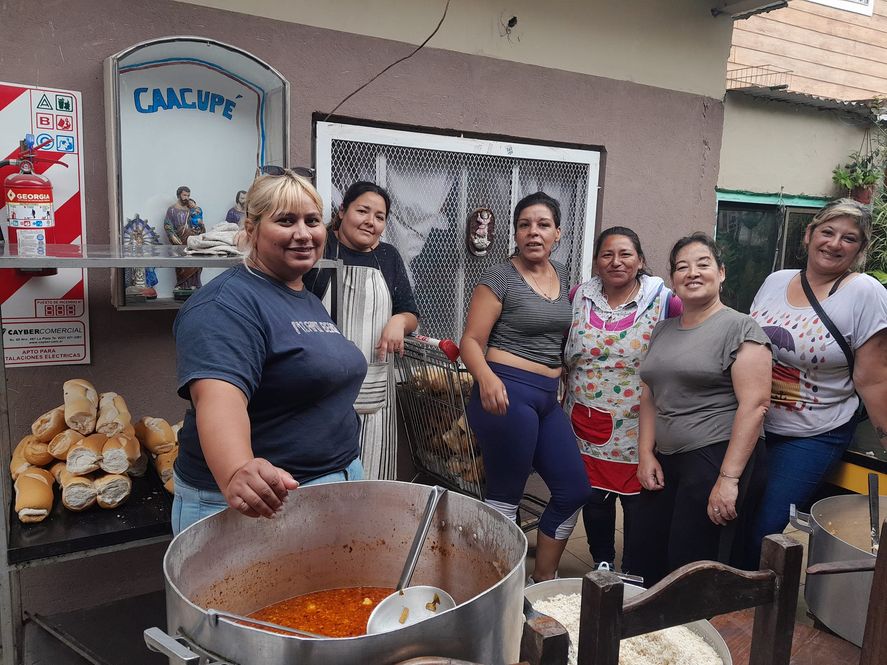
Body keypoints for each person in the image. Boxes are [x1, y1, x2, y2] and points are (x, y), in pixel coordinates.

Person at [171, 170, 368, 534]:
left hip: (330, 488)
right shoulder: (225, 304)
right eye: (285, 221)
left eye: (312, 221)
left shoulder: (304, 297)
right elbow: (219, 399)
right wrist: (237, 469)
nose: (303, 233)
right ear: (252, 228)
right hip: (262, 506)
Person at [746, 198, 887, 567]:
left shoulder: (864, 292)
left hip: (813, 432)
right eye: (827, 231)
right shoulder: (776, 281)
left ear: (860, 249)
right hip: (755, 424)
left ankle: (747, 612)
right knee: (732, 516)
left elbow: (872, 378)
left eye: (849, 238)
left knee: (764, 529)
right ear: (809, 235)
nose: (835, 243)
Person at [461, 191, 592, 583]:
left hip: (547, 399)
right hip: (506, 393)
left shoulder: (563, 275)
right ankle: (499, 587)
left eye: (543, 225)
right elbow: (470, 341)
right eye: (524, 225)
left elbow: (558, 338)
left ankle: (541, 582)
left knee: (574, 490)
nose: (533, 233)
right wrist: (486, 378)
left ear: (558, 233)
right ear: (515, 233)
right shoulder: (499, 276)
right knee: (505, 498)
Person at [631, 233, 772, 586]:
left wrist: (728, 479)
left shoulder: (740, 327)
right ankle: (649, 632)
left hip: (715, 455)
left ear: (721, 273)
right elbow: (649, 393)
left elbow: (755, 406)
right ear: (673, 279)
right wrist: (645, 454)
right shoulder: (663, 329)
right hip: (667, 457)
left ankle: (696, 634)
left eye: (703, 264)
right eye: (682, 267)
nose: (692, 272)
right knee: (645, 550)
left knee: (692, 560)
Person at [564, 226, 681, 574]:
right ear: (596, 263)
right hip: (583, 421)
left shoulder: (664, 301)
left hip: (639, 427)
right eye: (607, 255)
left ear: (641, 260)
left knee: (639, 502)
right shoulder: (577, 298)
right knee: (594, 498)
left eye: (625, 254)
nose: (616, 262)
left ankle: (634, 569)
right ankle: (602, 559)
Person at [306, 182, 419, 480]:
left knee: (371, 475)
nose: (371, 221)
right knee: (323, 476)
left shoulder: (389, 256)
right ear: (342, 211)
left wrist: (398, 322)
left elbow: (410, 313)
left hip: (374, 385)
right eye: (363, 211)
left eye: (379, 217)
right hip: (321, 382)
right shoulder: (319, 248)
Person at [164, 186, 205, 291]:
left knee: (195, 262)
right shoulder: (172, 210)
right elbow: (168, 224)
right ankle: (182, 285)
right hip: (180, 240)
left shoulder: (191, 210)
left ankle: (195, 285)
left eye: (188, 195)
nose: (186, 198)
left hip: (193, 241)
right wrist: (172, 235)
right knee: (181, 264)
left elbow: (198, 223)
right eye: (184, 195)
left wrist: (201, 226)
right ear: (179, 195)